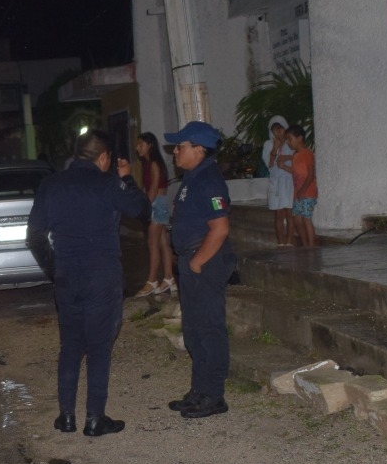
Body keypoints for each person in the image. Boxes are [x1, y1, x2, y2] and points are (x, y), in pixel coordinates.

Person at [27, 132, 147, 436]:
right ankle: (95, 418)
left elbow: (34, 235)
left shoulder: (50, 185)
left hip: (67, 275)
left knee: (70, 346)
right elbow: (141, 210)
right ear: (103, 157)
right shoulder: (107, 183)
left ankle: (66, 415)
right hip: (102, 276)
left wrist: (54, 269)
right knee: (99, 346)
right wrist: (127, 179)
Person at [163, 121, 236, 419]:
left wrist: (196, 262)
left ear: (199, 149)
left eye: (181, 146)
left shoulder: (209, 181)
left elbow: (219, 228)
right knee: (194, 329)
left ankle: (213, 396)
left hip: (205, 260)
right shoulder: (194, 177)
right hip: (193, 260)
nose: (175, 151)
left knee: (208, 328)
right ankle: (199, 390)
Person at [133, 132, 175, 297]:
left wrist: (145, 208)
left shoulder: (154, 164)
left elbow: (153, 189)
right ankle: (169, 278)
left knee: (152, 243)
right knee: (163, 242)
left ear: (149, 145)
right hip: (160, 203)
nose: (138, 148)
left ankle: (152, 281)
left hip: (157, 204)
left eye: (141, 144)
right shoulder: (149, 163)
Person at [261, 115, 295, 246]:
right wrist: (275, 148)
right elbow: (269, 164)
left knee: (289, 213)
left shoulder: (290, 143)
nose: (278, 132)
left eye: (280, 128)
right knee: (278, 214)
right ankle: (281, 242)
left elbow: (297, 159)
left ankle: (290, 241)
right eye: (274, 129)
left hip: (288, 181)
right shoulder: (268, 144)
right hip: (275, 183)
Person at [287, 126, 318, 248]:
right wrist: (284, 167)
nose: (288, 142)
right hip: (298, 193)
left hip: (307, 192)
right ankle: (306, 246)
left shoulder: (307, 153)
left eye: (290, 139)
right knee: (297, 221)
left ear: (299, 138)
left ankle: (312, 246)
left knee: (306, 219)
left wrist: (302, 190)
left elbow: (311, 175)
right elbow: (296, 172)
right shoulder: (295, 155)